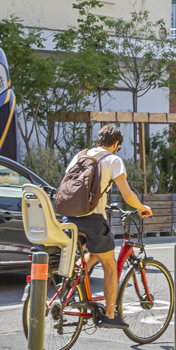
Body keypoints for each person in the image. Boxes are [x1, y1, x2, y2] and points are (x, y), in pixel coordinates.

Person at [65, 125, 152, 329]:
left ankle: (70, 284)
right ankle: (111, 315)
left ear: (99, 140)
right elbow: (128, 195)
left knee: (96, 252)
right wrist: (142, 207)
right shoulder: (113, 159)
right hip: (93, 220)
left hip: (69, 217)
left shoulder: (81, 156)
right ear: (115, 144)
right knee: (110, 266)